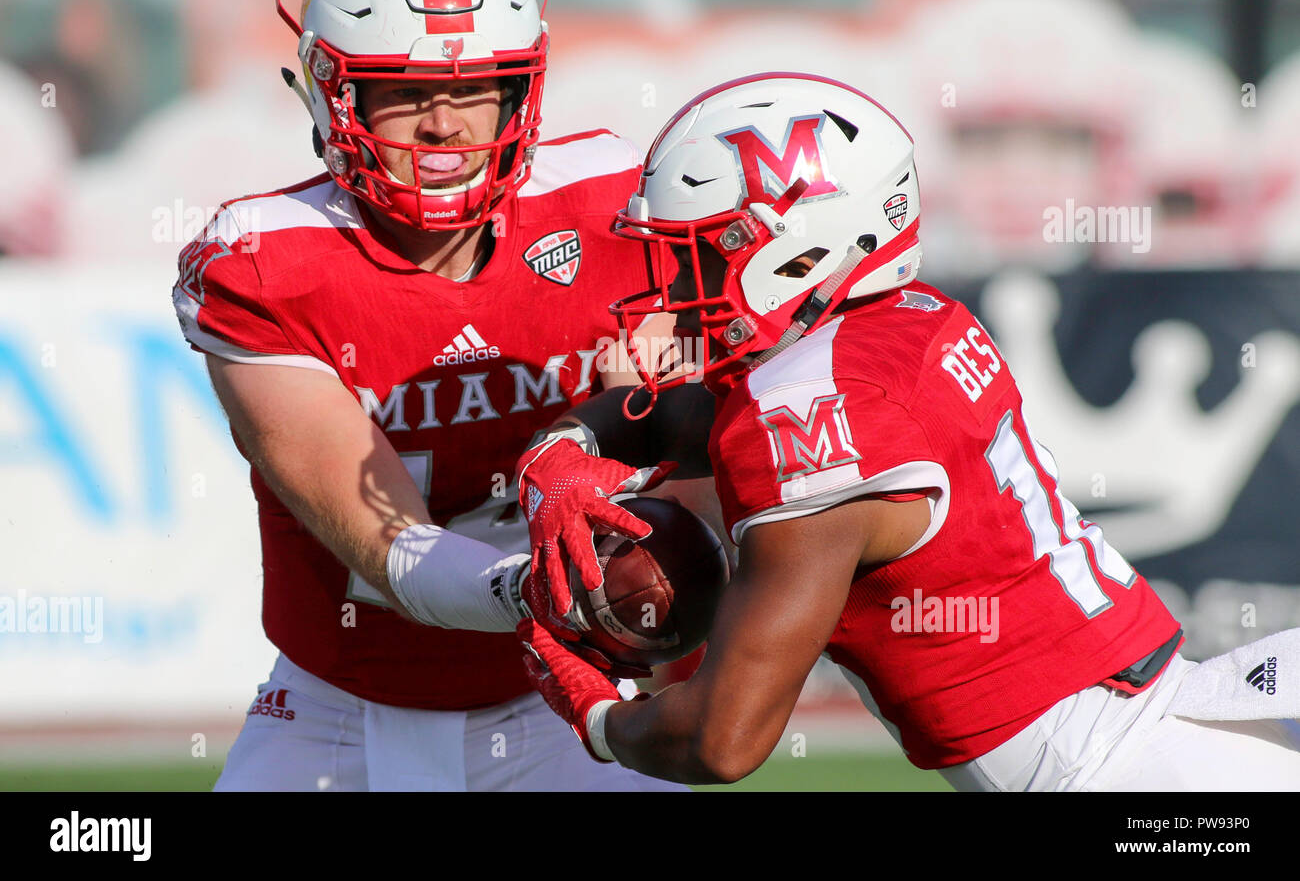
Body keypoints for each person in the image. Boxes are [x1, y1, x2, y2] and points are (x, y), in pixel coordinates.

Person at [517, 72, 1300, 790]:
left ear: (803, 252)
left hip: (1120, 775)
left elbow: (721, 741)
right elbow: (699, 419)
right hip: (1160, 714)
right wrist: (570, 447)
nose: (675, 289)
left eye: (702, 255)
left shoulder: (811, 409)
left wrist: (596, 715)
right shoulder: (908, 321)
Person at [172, 0, 691, 791]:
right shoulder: (265, 266)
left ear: (520, 90)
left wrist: (656, 415)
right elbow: (391, 547)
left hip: (566, 703)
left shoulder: (612, 207)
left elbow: (711, 416)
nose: (446, 123)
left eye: (477, 86)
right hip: (338, 715)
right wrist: (559, 587)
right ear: (335, 95)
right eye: (405, 92)